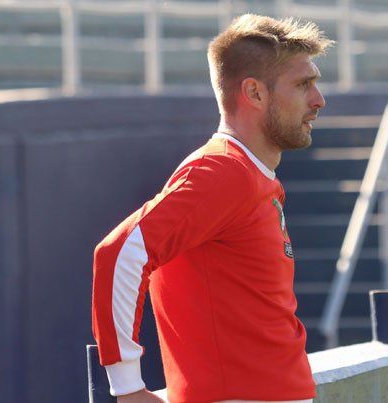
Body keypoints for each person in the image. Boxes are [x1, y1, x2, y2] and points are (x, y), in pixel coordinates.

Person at [91, 14, 333, 403]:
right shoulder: (222, 171)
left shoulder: (248, 174)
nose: (319, 100)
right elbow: (118, 254)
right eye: (303, 84)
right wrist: (127, 388)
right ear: (254, 93)